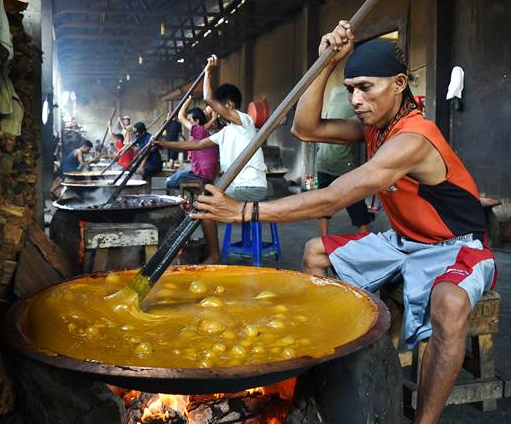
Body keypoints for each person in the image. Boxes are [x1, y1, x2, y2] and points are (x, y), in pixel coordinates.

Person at [192, 21, 495, 424]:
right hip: (403, 241)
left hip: (457, 247)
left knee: (449, 304)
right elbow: (305, 128)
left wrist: (245, 211)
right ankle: (330, 366)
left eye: (365, 87)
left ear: (399, 83)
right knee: (316, 252)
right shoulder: (376, 128)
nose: (354, 98)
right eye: (350, 88)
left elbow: (337, 197)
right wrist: (324, 64)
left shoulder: (414, 138)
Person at [156, 54, 267, 264]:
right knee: (203, 203)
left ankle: (214, 256)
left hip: (251, 186)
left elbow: (208, 99)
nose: (212, 110)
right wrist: (164, 144)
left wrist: (208, 72)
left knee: (204, 207)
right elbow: (196, 145)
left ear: (230, 105)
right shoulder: (226, 132)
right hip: (236, 186)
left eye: (218, 106)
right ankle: (211, 251)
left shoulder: (244, 120)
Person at [315, 85, 373, 236]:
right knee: (357, 210)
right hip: (340, 162)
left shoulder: (336, 92)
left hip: (323, 159)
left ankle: (324, 239)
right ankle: (364, 240)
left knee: (323, 206)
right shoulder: (358, 97)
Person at [163, 96, 219, 189]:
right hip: (206, 174)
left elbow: (181, 116)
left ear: (197, 121)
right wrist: (213, 117)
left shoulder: (199, 130)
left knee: (169, 181)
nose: (188, 122)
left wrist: (188, 100)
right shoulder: (203, 131)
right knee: (178, 174)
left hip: (202, 175)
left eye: (189, 120)